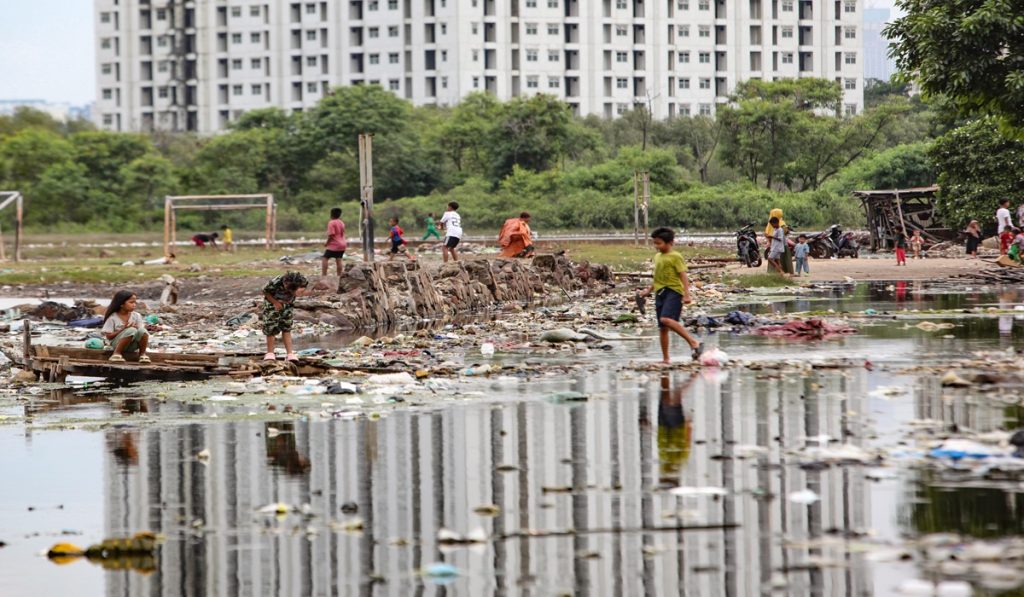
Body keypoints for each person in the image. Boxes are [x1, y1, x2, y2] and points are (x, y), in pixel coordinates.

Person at [636, 227, 704, 364]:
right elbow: (658, 277)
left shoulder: (676, 257)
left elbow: (683, 275)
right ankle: (666, 359)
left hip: (674, 292)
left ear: (670, 243)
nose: (656, 246)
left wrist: (687, 294)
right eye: (654, 243)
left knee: (666, 319)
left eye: (659, 243)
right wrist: (648, 291)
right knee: (662, 327)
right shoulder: (657, 257)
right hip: (660, 292)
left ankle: (693, 342)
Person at [262, 271, 308, 361]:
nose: (299, 294)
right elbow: (265, 291)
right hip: (272, 303)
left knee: (286, 327)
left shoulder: (302, 281)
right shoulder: (276, 282)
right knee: (271, 327)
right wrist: (275, 303)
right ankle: (270, 353)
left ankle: (290, 354)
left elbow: (303, 288)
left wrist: (296, 295)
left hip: (287, 304)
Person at [102, 290, 150, 364]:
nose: (134, 305)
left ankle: (142, 354)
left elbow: (141, 331)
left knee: (142, 331)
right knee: (131, 330)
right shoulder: (113, 317)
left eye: (135, 302)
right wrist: (123, 329)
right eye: (131, 302)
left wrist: (136, 328)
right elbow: (108, 336)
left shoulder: (136, 316)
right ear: (121, 304)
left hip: (132, 345)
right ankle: (116, 354)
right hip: (117, 344)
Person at [765, 208, 792, 274]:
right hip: (776, 245)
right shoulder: (778, 225)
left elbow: (780, 237)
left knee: (771, 259)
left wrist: (770, 237)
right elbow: (786, 233)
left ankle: (779, 270)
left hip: (778, 246)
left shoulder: (779, 226)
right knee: (777, 260)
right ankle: (781, 271)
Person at [322, 207, 346, 277]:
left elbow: (331, 235)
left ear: (331, 214)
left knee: (325, 258)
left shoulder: (331, 223)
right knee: (339, 259)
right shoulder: (341, 222)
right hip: (342, 244)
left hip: (335, 244)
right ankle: (339, 276)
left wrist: (326, 243)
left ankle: (324, 275)